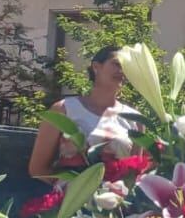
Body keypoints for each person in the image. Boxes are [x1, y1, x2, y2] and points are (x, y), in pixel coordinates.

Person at [27, 46, 139, 180]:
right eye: (117, 64)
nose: (122, 71)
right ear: (96, 67)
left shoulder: (135, 119)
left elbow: (135, 173)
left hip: (115, 197)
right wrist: (69, 190)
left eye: (127, 67)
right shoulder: (64, 110)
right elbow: (38, 169)